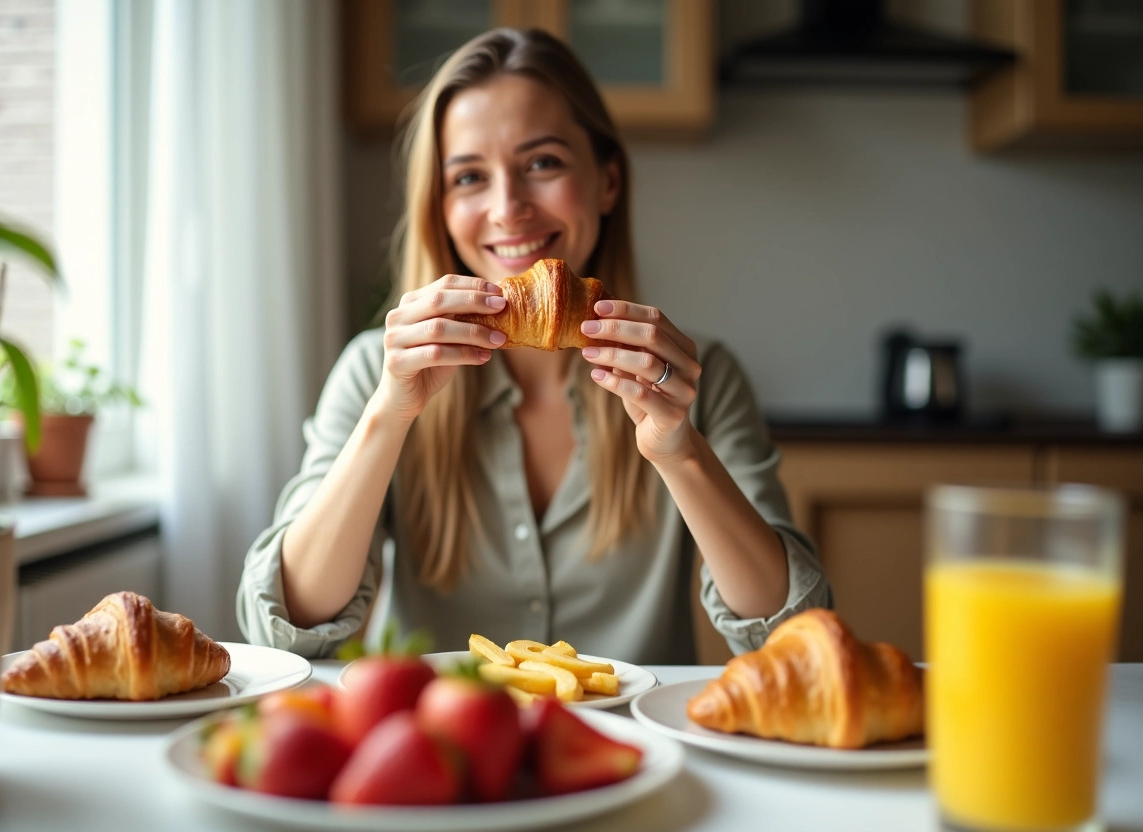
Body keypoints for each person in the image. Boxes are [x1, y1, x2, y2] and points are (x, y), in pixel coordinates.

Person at [237, 27, 831, 664]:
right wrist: (391, 413)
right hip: (443, 745)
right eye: (468, 177)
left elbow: (790, 635)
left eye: (542, 163)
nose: (507, 207)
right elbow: (286, 627)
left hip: (629, 754)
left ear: (607, 182)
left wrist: (680, 451)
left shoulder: (689, 379)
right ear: (439, 207)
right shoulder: (373, 372)